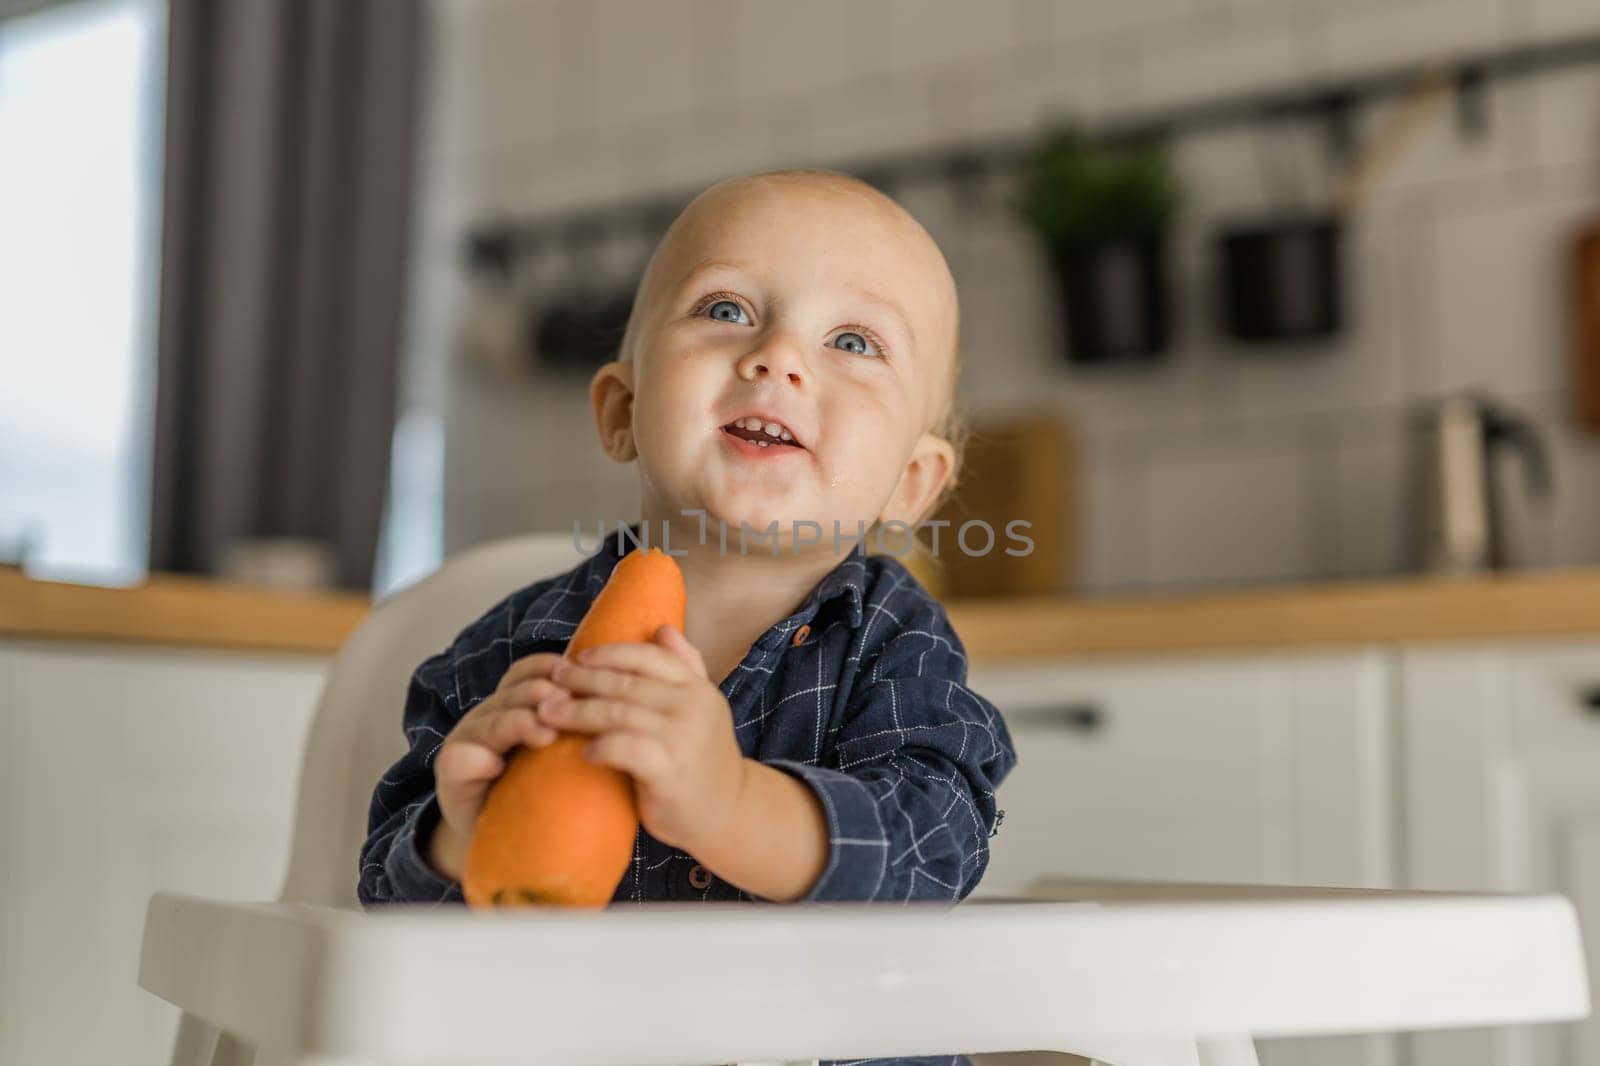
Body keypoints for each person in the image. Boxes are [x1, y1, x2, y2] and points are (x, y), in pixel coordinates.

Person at [360, 168, 1019, 1064]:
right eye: (727, 311)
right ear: (622, 410)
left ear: (913, 481)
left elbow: (930, 850)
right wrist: (458, 837)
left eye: (854, 340)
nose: (777, 356)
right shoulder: (507, 651)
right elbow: (385, 926)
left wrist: (729, 803)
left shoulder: (894, 645)